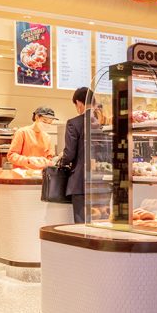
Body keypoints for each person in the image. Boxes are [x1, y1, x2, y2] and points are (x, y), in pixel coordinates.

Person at [60, 87, 93, 223]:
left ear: (79, 103)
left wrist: (61, 161)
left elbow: (69, 154)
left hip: (81, 182)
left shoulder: (74, 123)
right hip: (102, 182)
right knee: (101, 224)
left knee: (81, 225)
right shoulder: (105, 121)